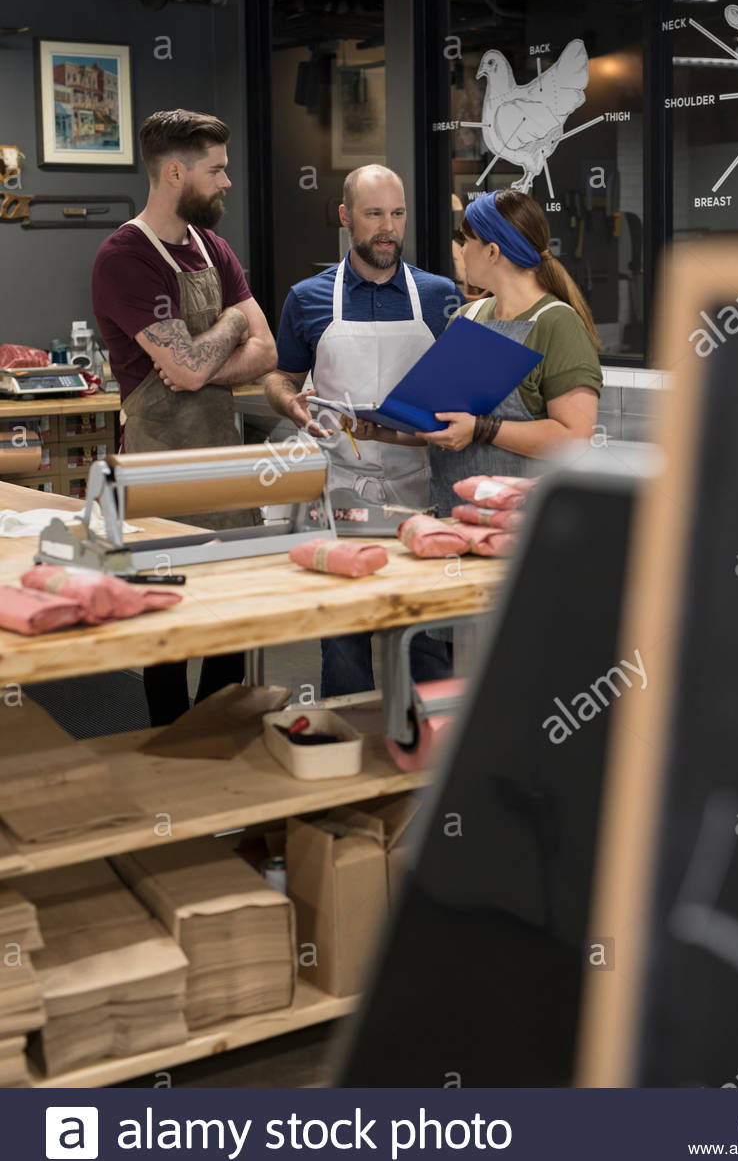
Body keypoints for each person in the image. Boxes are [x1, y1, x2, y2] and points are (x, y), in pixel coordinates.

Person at [91, 108, 277, 725]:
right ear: (175, 172)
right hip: (161, 476)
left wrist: (203, 360)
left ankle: (217, 742)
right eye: (216, 170)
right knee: (167, 635)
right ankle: (169, 752)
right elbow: (205, 358)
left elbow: (265, 352)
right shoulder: (125, 257)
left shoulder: (212, 247)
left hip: (222, 469)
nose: (227, 182)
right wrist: (234, 321)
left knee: (231, 627)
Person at [265, 163, 462, 697]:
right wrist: (289, 402)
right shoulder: (307, 297)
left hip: (421, 491)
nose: (388, 228)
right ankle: (349, 738)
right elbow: (280, 378)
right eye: (374, 214)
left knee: (425, 638)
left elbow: (457, 391)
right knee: (344, 642)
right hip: (339, 492)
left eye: (397, 214)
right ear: (345, 216)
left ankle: (430, 741)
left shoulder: (441, 296)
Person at [349, 189, 603, 516]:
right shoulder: (466, 317)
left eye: (466, 241)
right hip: (453, 517)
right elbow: (445, 422)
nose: (461, 251)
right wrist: (383, 431)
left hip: (521, 525)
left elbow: (575, 437)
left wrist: (482, 429)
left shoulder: (557, 323)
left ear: (492, 251)